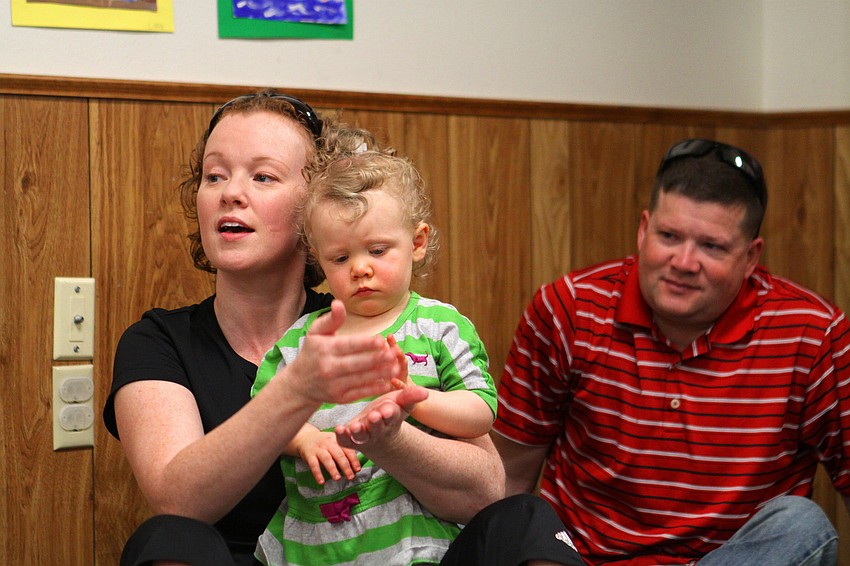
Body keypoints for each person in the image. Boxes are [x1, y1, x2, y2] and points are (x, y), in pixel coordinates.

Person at [102, 90, 506, 566]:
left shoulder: (381, 322)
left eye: (263, 176)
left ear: (317, 204)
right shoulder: (158, 342)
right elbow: (179, 504)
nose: (231, 192)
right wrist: (297, 390)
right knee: (165, 541)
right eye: (214, 175)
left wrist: (388, 438)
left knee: (525, 519)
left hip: (402, 551)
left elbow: (487, 493)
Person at [492, 138, 848, 565]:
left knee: (801, 523)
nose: (683, 261)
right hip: (587, 560)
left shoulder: (814, 335)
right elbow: (509, 475)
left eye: (712, 246)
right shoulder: (568, 309)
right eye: (669, 236)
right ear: (643, 230)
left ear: (752, 257)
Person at [249, 149, 498, 565]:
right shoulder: (303, 339)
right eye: (341, 258)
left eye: (378, 250)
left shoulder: (440, 326)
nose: (360, 268)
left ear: (416, 243)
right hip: (313, 540)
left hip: (408, 533)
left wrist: (416, 396)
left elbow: (481, 411)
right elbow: (262, 416)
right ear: (320, 262)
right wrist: (306, 437)